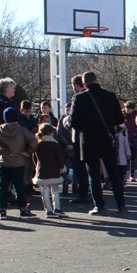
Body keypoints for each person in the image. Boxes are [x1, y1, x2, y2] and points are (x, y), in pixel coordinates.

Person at [67, 70, 127, 215]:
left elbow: (73, 122)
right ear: (97, 80)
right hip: (107, 139)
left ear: (84, 83)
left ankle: (99, 206)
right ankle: (121, 205)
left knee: (93, 175)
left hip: (89, 140)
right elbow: (120, 119)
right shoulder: (110, 96)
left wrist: (85, 127)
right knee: (114, 173)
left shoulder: (79, 98)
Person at [0, 107, 36, 219]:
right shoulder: (22, 130)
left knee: (3, 187)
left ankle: (2, 210)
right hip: (18, 161)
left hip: (4, 161)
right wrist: (27, 152)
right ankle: (23, 209)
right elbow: (33, 142)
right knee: (19, 187)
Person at [64, 75, 90, 204]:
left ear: (75, 85)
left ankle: (83, 193)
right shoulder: (92, 96)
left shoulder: (78, 98)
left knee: (80, 167)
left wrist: (67, 122)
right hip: (92, 135)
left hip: (79, 136)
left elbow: (73, 118)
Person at [33, 123, 66, 218]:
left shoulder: (38, 144)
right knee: (55, 190)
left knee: (45, 191)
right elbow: (60, 158)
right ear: (51, 133)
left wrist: (37, 166)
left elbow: (34, 158)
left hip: (42, 170)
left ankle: (48, 210)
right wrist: (62, 167)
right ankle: (57, 208)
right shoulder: (55, 144)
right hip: (54, 170)